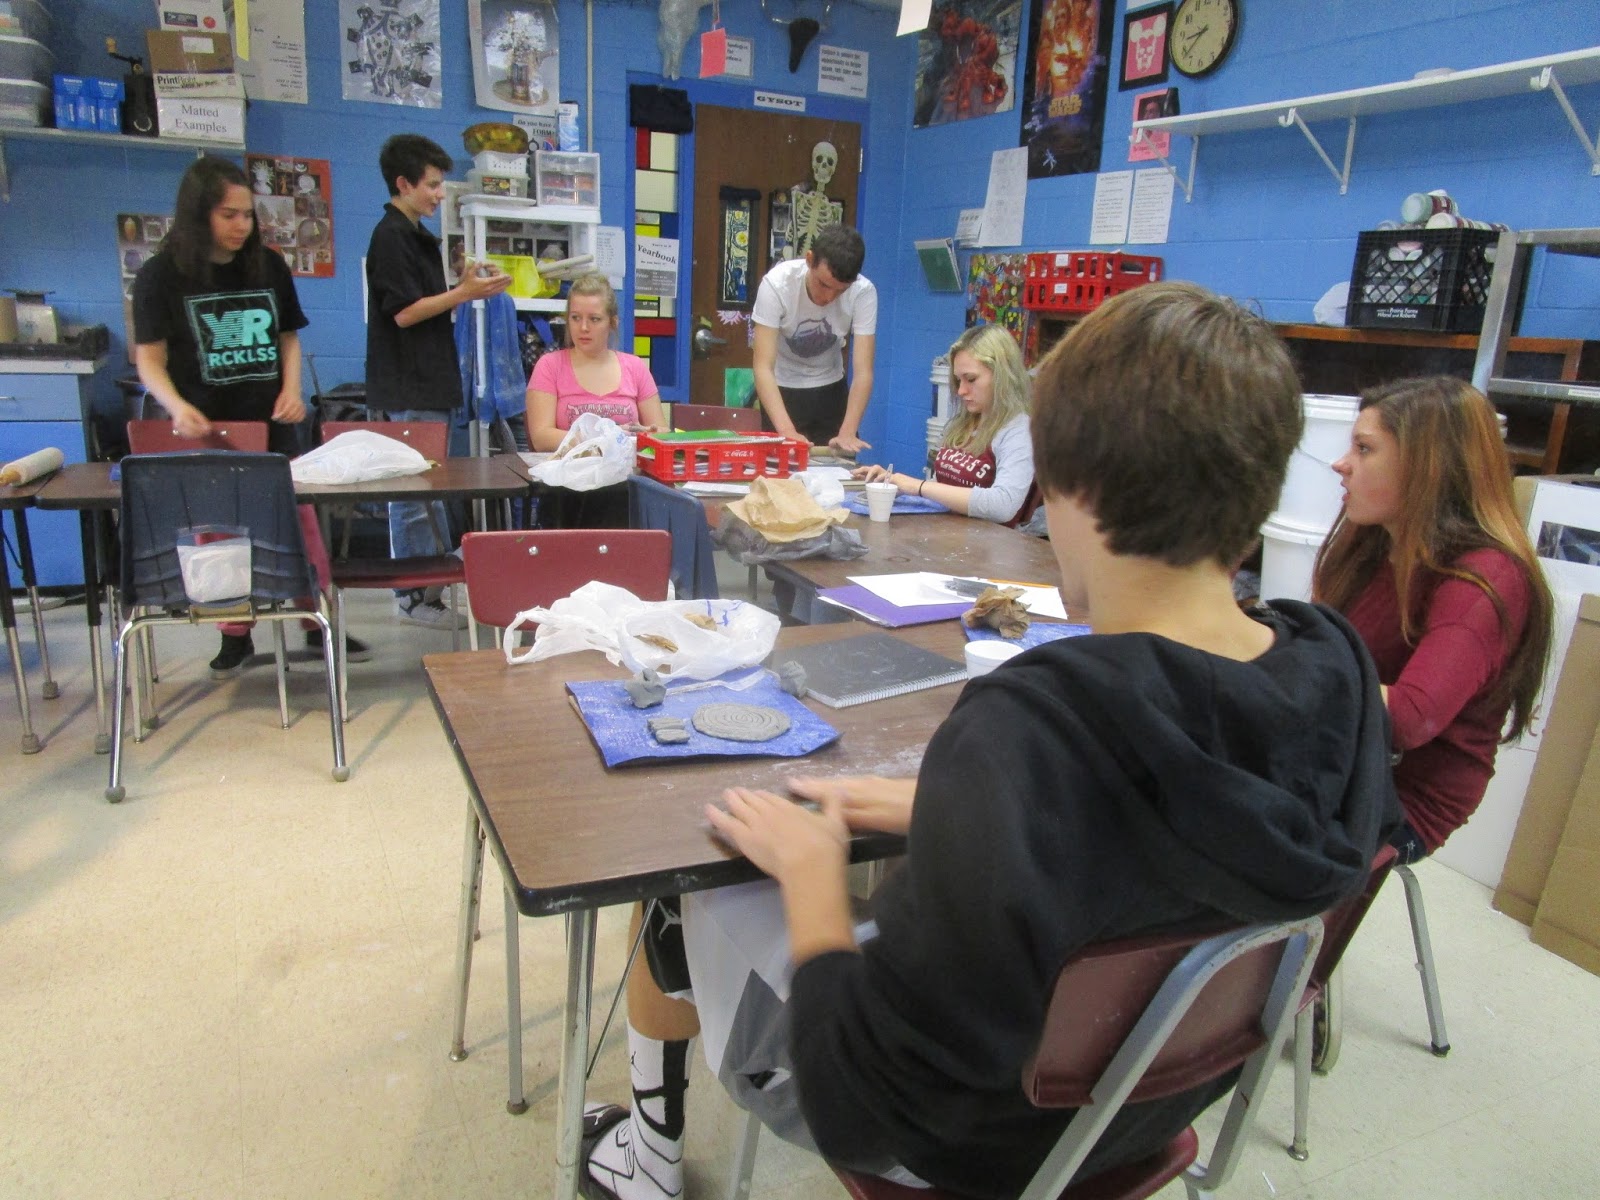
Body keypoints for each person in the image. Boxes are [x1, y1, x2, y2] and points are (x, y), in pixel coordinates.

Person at [578, 282, 1400, 1200]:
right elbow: (1150, 835)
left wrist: (815, 878)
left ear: (1068, 486)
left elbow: (863, 1102)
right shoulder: (1340, 683)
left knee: (684, 888)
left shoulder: (1030, 729)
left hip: (960, 1148)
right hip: (1142, 1111)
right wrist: (954, 808)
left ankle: (646, 1162)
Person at [131, 155, 357, 677]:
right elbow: (149, 360)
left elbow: (288, 338)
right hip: (212, 428)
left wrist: (293, 388)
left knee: (297, 523)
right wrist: (177, 406)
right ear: (199, 214)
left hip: (272, 422)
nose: (241, 226)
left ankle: (314, 619)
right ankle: (235, 632)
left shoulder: (267, 265)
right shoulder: (161, 275)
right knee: (222, 532)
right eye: (228, 215)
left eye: (247, 215)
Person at [1315, 376, 1554, 862]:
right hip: (1341, 759)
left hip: (1401, 800)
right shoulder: (1376, 544)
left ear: (1427, 467)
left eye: (1364, 449)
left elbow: (1408, 718)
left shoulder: (1485, 581)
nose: (1341, 465)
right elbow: (1325, 646)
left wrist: (1278, 666)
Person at [365, 133, 510, 630]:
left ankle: (426, 591)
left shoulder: (415, 233)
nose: (439, 194)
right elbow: (404, 314)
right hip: (410, 388)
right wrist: (464, 293)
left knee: (429, 491)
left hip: (431, 383)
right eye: (431, 185)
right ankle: (412, 597)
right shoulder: (390, 236)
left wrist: (464, 282)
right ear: (403, 184)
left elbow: (425, 300)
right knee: (411, 496)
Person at [853, 324, 1036, 525]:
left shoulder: (1018, 430)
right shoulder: (963, 421)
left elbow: (1003, 506)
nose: (961, 391)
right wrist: (892, 484)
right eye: (958, 381)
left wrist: (917, 486)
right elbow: (945, 487)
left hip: (988, 547)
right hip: (948, 534)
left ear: (1003, 376)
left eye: (971, 379)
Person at [751, 225, 876, 454]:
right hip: (781, 390)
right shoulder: (777, 284)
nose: (829, 297)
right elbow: (762, 367)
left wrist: (848, 431)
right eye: (824, 284)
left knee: (839, 471)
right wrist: (786, 430)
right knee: (782, 473)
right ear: (809, 260)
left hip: (831, 390)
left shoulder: (863, 292)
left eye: (840, 291)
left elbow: (863, 372)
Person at [525, 274, 666, 452]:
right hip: (569, 475)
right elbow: (541, 438)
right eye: (576, 318)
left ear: (612, 322)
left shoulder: (635, 367)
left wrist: (646, 434)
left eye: (594, 319)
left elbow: (661, 433)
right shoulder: (549, 366)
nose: (583, 327)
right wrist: (607, 437)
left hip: (627, 473)